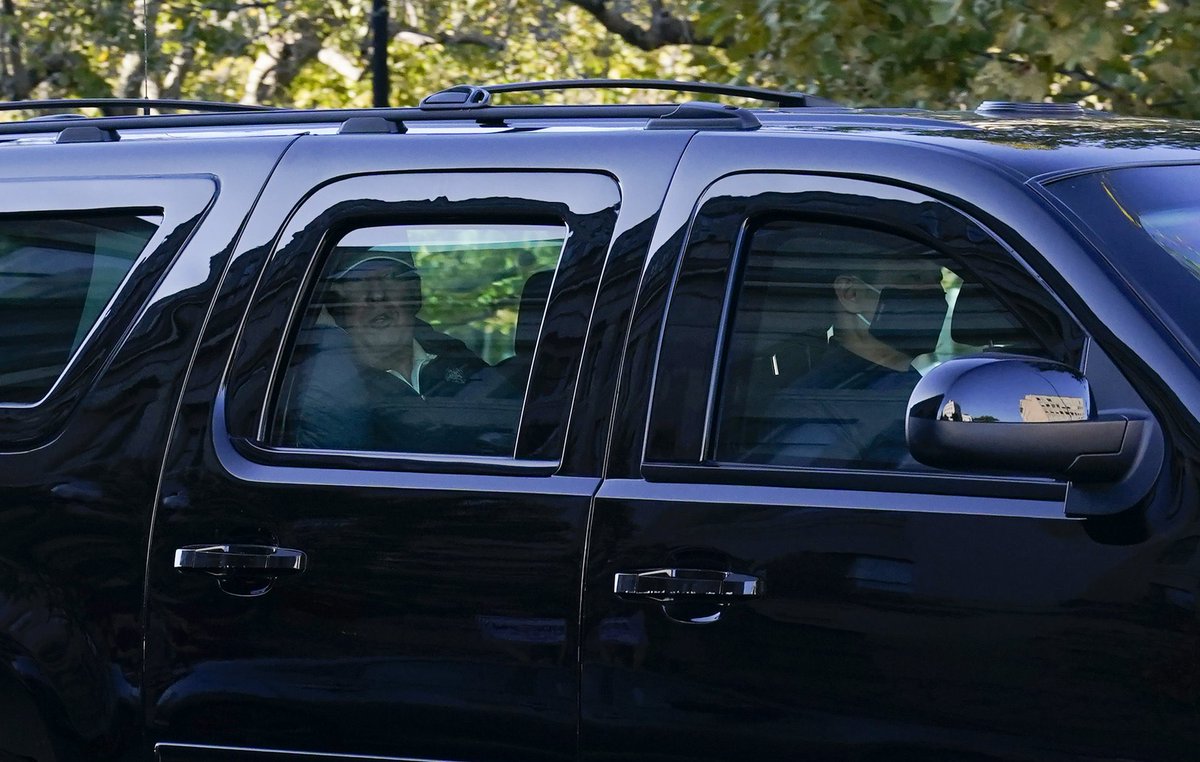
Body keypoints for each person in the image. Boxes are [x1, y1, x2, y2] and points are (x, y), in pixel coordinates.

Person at [284, 251, 493, 453]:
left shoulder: (452, 354)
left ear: (414, 291)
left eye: (390, 276)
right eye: (358, 280)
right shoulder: (330, 389)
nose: (377, 294)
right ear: (335, 304)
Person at [754, 257, 951, 467]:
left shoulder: (914, 386)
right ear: (850, 294)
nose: (934, 292)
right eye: (913, 278)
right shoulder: (820, 405)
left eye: (937, 280)